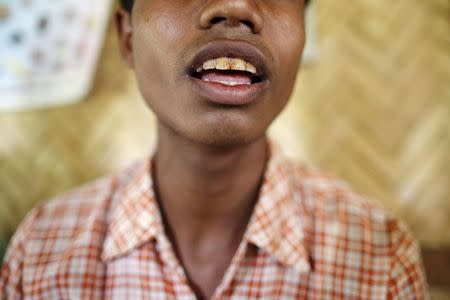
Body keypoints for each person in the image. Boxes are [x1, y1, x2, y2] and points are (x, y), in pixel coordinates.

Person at [0, 0, 428, 299]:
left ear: (302, 38)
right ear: (127, 38)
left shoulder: (378, 257)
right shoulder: (41, 255)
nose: (236, 6)